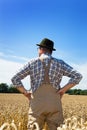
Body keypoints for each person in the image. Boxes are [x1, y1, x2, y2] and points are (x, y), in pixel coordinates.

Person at [11, 38, 83, 130]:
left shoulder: (32, 62)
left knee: (34, 128)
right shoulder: (60, 63)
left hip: (36, 104)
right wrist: (63, 90)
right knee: (57, 128)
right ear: (51, 51)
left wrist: (25, 92)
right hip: (54, 103)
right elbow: (78, 76)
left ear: (41, 49)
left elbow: (15, 78)